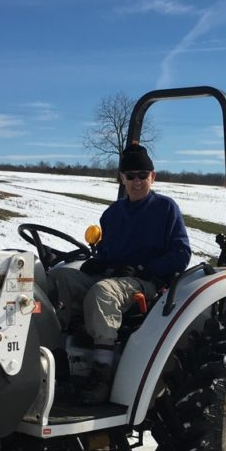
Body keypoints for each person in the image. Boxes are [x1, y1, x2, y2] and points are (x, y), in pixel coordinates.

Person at [49, 143, 190, 404]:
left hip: (146, 282)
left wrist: (145, 268)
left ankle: (101, 373)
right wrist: (98, 262)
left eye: (142, 176)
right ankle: (57, 360)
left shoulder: (165, 209)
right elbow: (106, 252)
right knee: (58, 278)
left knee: (102, 292)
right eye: (131, 176)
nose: (137, 182)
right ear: (122, 178)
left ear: (153, 176)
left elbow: (181, 254)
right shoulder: (113, 214)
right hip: (113, 277)